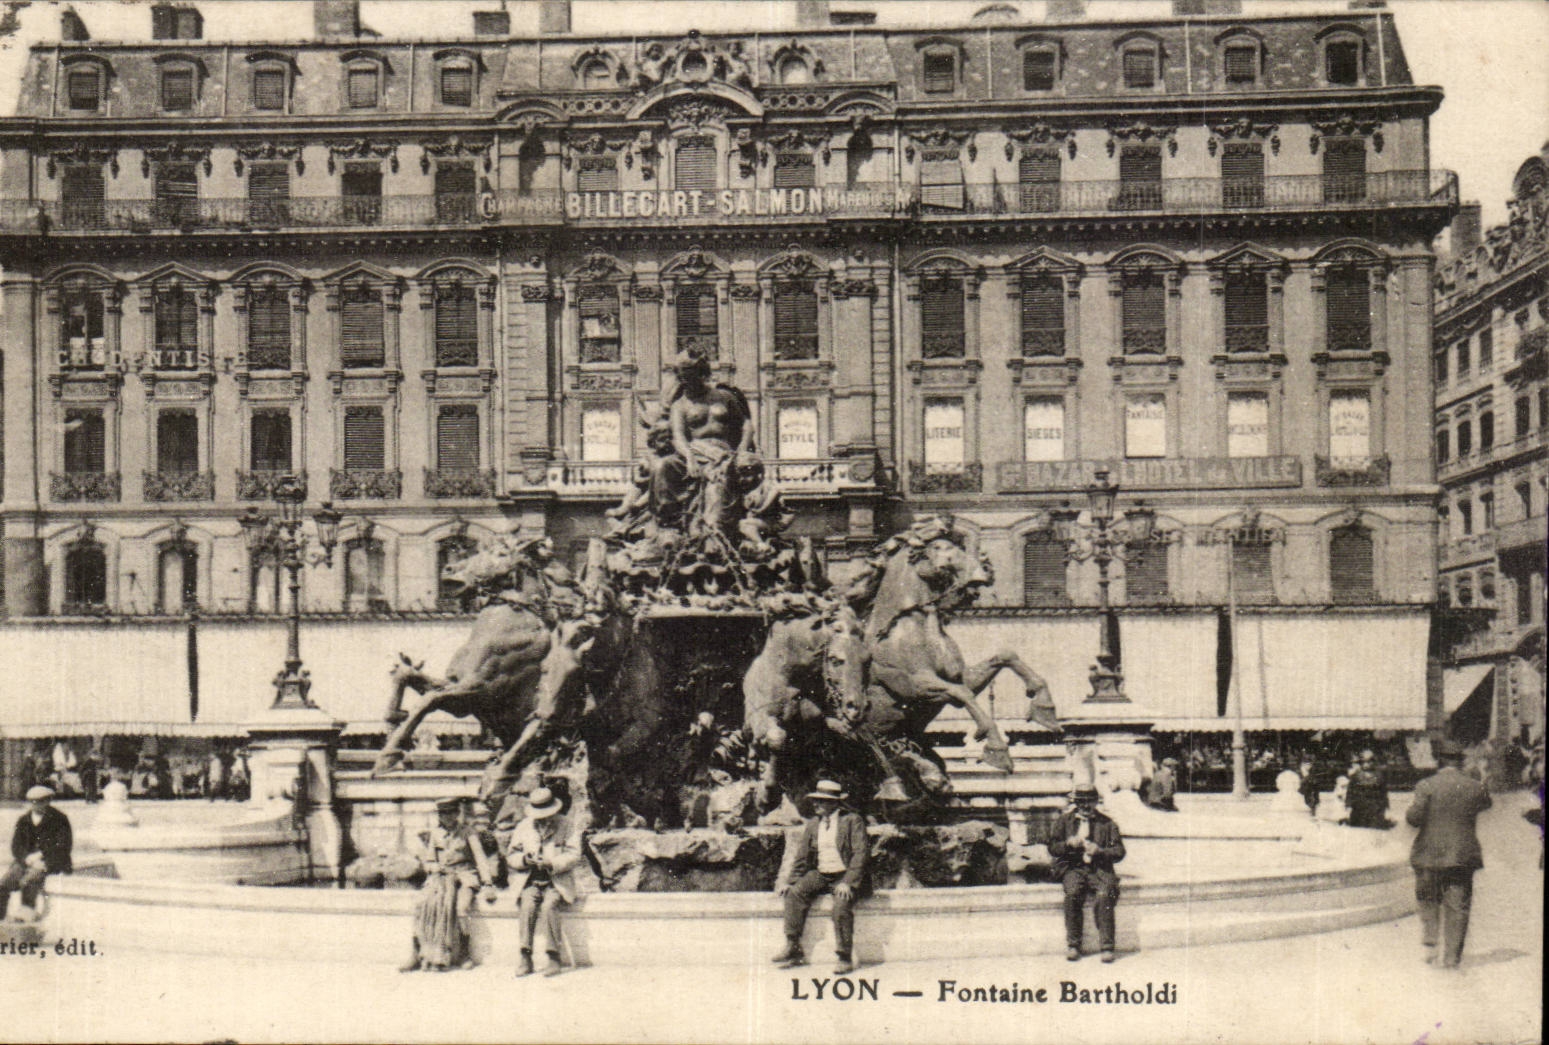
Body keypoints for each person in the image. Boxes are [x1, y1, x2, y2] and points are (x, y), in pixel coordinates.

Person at [651, 348, 758, 536]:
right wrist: (689, 458)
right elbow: (678, 436)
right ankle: (668, 524)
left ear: (701, 374)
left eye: (690, 376)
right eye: (683, 377)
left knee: (719, 483)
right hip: (694, 452)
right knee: (662, 466)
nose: (686, 382)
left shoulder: (724, 397)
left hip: (723, 453)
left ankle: (714, 527)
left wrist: (741, 451)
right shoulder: (679, 405)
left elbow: (746, 425)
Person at [1406, 738, 1492, 970]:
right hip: (1461, 856)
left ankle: (1431, 943)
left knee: (1428, 899)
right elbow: (1486, 803)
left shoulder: (1426, 785)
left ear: (1438, 760)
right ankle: (1452, 959)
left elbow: (1414, 819)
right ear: (1460, 761)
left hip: (1429, 855)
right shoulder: (1474, 786)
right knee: (1458, 906)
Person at [773, 779, 870, 975]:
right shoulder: (813, 824)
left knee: (841, 906)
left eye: (821, 801)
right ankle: (793, 946)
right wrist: (790, 881)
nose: (815, 804)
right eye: (815, 800)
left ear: (834, 803)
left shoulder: (852, 820)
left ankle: (844, 957)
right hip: (821, 873)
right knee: (794, 893)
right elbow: (802, 857)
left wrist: (848, 882)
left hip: (844, 875)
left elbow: (861, 853)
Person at [402, 797, 494, 973]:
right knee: (421, 905)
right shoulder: (435, 834)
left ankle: (464, 954)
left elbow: (480, 858)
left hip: (464, 876)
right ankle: (416, 953)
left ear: (457, 813)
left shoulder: (468, 832)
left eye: (451, 813)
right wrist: (433, 867)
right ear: (439, 816)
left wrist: (488, 883)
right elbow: (429, 861)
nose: (448, 817)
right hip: (441, 877)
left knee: (462, 908)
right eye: (443, 814)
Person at [507, 786, 580, 977]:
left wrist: (551, 863)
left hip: (556, 881)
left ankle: (554, 957)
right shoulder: (524, 826)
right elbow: (511, 855)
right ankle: (525, 956)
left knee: (549, 906)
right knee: (527, 906)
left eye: (546, 814)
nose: (542, 818)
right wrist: (524, 860)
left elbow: (574, 855)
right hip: (531, 880)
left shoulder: (567, 825)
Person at [1049, 786, 1126, 963]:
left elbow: (1119, 851)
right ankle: (1073, 945)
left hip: (1099, 869)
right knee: (1072, 894)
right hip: (1074, 868)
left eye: (1089, 801)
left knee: (1105, 895)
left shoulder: (1107, 823)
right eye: (1081, 802)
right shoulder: (1064, 821)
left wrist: (1100, 851)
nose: (1085, 806)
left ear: (1095, 802)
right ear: (1075, 802)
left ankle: (1107, 947)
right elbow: (1052, 847)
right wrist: (1067, 844)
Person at [1, 786, 73, 922]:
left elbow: (63, 846)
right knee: (4, 883)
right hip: (26, 861)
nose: (35, 805)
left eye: (40, 801)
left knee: (28, 881)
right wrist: (26, 858)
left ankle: (26, 917)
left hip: (51, 861)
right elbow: (16, 846)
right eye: (32, 801)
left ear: (48, 801)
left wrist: (42, 857)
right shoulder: (24, 820)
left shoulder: (59, 819)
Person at [1346, 748, 1390, 829]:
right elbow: (1350, 791)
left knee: (1375, 827)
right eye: (1364, 762)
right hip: (1359, 807)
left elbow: (1383, 792)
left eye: (1369, 761)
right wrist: (1348, 804)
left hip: (1375, 808)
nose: (1366, 764)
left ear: (1373, 762)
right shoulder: (1356, 775)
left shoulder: (1379, 775)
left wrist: (1385, 805)